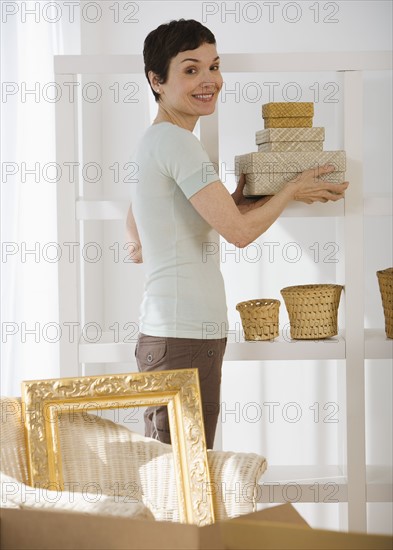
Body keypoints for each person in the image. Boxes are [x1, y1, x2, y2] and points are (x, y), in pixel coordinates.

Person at [126, 19, 349, 449]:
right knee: (182, 483)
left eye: (214, 66)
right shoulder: (178, 143)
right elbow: (240, 235)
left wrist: (230, 204)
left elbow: (138, 231)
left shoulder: (153, 142)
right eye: (191, 70)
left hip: (173, 336)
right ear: (157, 80)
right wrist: (291, 188)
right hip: (183, 338)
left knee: (174, 476)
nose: (209, 80)